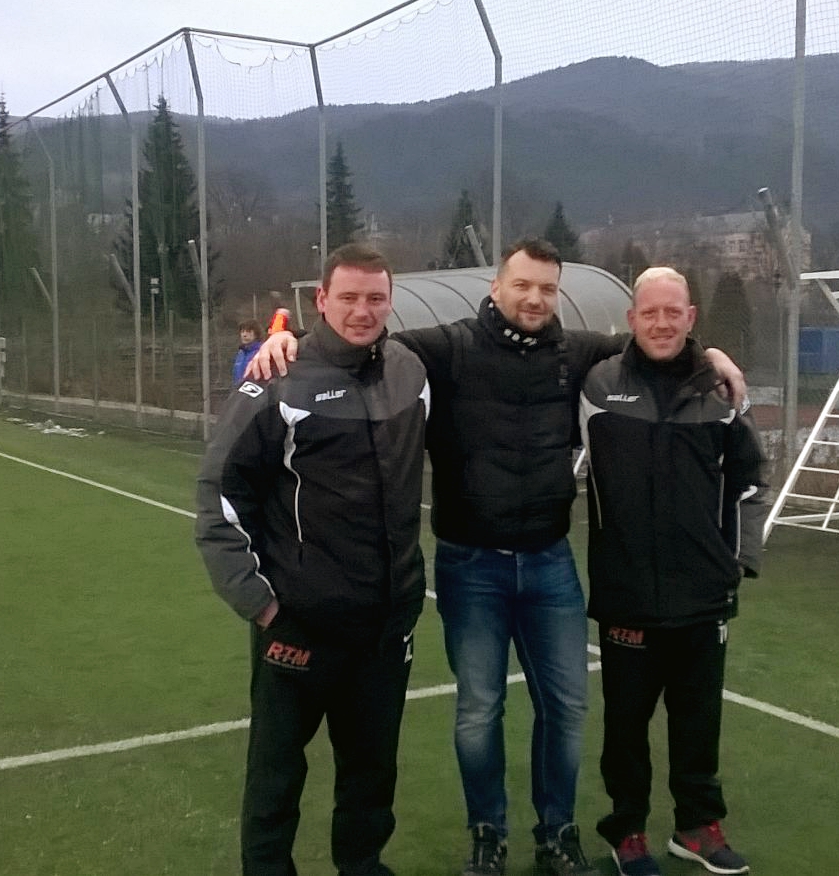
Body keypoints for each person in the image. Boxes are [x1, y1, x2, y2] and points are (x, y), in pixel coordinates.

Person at [250, 238, 747, 876]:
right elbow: (362, 338)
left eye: (547, 288)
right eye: (523, 285)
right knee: (479, 711)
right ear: (496, 287)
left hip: (549, 562)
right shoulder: (448, 347)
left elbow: (656, 342)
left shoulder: (578, 353)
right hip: (471, 565)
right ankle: (487, 834)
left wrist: (711, 354)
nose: (535, 298)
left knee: (567, 708)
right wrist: (287, 342)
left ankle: (558, 835)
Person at [195, 243, 429, 876]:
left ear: (391, 301)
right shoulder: (277, 378)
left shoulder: (412, 369)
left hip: (386, 623)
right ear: (321, 300)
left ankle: (362, 864)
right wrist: (261, 603)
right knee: (276, 771)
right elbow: (219, 494)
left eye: (375, 298)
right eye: (348, 297)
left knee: (372, 768)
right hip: (299, 624)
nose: (362, 310)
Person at [579, 267, 764, 876]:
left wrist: (738, 561)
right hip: (626, 594)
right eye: (650, 312)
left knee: (698, 722)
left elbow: (749, 482)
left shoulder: (722, 391)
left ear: (690, 318)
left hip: (703, 593)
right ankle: (627, 830)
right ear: (631, 319)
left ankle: (697, 827)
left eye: (673, 312)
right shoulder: (596, 386)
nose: (661, 324)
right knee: (625, 728)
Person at [232, 320, 263, 385]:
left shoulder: (261, 352)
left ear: (256, 334)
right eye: (242, 332)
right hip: (239, 389)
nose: (244, 335)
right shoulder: (240, 353)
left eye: (249, 332)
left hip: (255, 389)